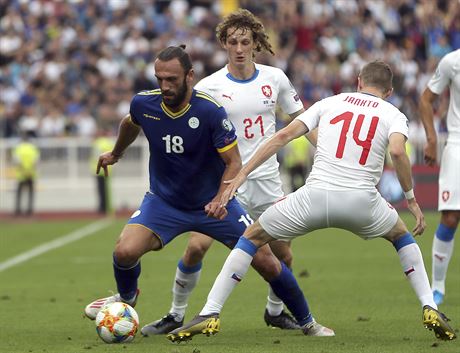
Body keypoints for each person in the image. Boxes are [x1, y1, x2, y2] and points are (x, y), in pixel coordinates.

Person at [168, 60, 456, 342]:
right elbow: (397, 151)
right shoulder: (393, 113)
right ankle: (429, 305)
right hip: (362, 202)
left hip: (314, 197)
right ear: (389, 92)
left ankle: (210, 312)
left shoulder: (329, 102)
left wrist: (242, 173)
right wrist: (411, 199)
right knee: (401, 238)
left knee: (251, 237)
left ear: (358, 82)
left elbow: (282, 136)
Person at [83, 45, 333, 338]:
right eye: (159, 79)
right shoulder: (143, 104)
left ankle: (308, 323)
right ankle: (128, 299)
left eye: (172, 79)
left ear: (189, 76)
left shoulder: (209, 111)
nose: (164, 86)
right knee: (124, 251)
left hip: (211, 206)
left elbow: (233, 162)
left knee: (267, 260)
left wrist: (219, 199)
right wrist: (116, 153)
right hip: (164, 203)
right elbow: (130, 123)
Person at [141, 8, 318, 336]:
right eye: (233, 41)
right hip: (226, 182)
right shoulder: (209, 86)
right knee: (196, 247)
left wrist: (326, 150)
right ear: (224, 43)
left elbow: (301, 122)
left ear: (255, 44)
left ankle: (275, 311)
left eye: (245, 42)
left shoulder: (274, 79)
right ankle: (176, 313)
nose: (239, 48)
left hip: (266, 180)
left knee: (282, 253)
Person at [420, 49, 460, 306]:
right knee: (450, 216)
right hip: (457, 144)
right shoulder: (452, 62)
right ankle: (438, 287)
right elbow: (426, 99)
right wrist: (432, 139)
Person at [13, 131, 40, 216]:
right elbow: (36, 161)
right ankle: (29, 210)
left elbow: (17, 161)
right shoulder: (33, 148)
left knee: (19, 193)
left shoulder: (18, 148)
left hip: (21, 173)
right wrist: (30, 170)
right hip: (31, 173)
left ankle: (18, 210)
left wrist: (23, 170)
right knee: (30, 193)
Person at [92, 127, 114, 214]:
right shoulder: (109, 142)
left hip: (97, 169)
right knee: (106, 190)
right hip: (107, 169)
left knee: (101, 190)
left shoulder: (97, 142)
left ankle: (102, 207)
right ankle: (107, 208)